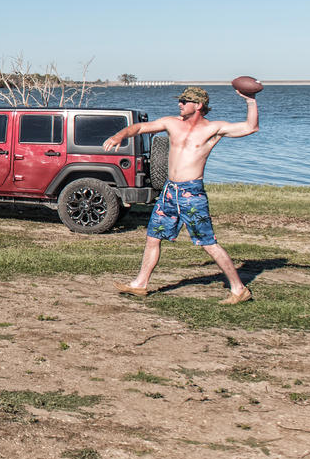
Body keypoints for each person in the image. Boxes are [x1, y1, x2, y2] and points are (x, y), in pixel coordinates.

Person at [101, 86, 259, 304]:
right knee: (153, 237)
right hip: (169, 191)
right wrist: (119, 135)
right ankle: (140, 284)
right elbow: (139, 128)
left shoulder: (213, 129)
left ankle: (238, 289)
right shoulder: (172, 123)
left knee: (208, 243)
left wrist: (250, 100)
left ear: (199, 105)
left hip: (191, 193)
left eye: (185, 101)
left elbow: (251, 127)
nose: (180, 104)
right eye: (180, 100)